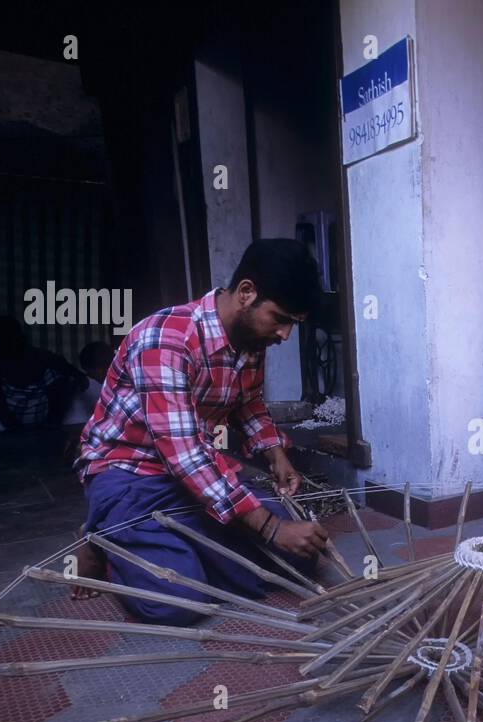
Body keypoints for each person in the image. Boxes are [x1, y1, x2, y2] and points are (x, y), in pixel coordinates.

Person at [71, 239, 330, 624]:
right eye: (281, 319)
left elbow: (248, 403)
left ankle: (160, 540)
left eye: (293, 323)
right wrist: (271, 527)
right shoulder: (164, 339)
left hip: (190, 477)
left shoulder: (250, 341)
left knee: (300, 558)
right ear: (246, 293)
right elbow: (187, 456)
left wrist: (276, 454)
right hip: (128, 474)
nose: (284, 335)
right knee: (178, 599)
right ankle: (107, 540)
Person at [0, 316, 88, 430]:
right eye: (4, 338)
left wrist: (79, 377)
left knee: (63, 379)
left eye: (12, 336)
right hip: (11, 415)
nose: (9, 341)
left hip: (44, 411)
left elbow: (65, 368)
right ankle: (14, 429)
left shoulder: (38, 356)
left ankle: (51, 424)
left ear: (20, 336)